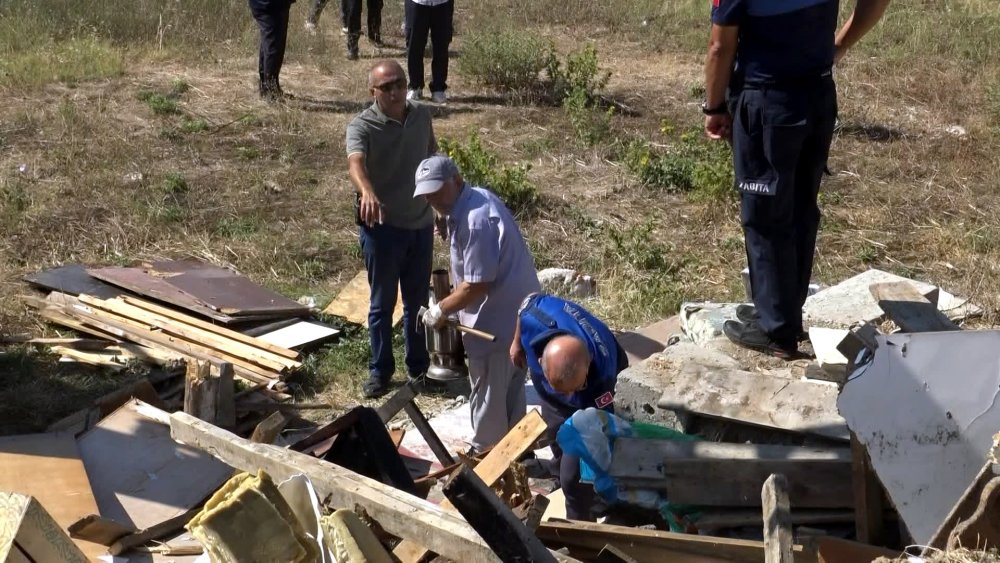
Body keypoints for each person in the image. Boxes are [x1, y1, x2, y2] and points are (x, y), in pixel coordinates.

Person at [703, 0, 891, 358]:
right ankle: (781, 313)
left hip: (767, 102)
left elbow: (719, 45)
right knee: (801, 209)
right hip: (817, 95)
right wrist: (839, 45)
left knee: (766, 216)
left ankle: (776, 332)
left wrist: (713, 107)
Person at [415, 155, 541, 452]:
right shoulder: (474, 201)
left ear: (456, 180)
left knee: (488, 392)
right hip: (518, 312)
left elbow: (477, 285)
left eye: (437, 191)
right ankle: (517, 452)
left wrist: (441, 308)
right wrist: (449, 224)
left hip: (497, 319)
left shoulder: (474, 221)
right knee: (510, 388)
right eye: (427, 195)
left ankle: (486, 454)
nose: (432, 199)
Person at [347, 60, 438, 398]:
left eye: (399, 83)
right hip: (382, 228)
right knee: (382, 304)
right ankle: (380, 371)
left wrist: (441, 204)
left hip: (420, 223)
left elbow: (432, 156)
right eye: (386, 87)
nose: (396, 90)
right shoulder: (362, 126)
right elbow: (355, 163)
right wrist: (366, 191)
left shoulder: (421, 115)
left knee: (417, 302)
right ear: (373, 92)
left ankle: (419, 368)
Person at [510, 293, 627, 521]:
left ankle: (596, 498)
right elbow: (524, 304)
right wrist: (516, 343)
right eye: (561, 389)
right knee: (555, 428)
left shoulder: (603, 376)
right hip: (561, 376)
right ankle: (558, 472)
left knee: (584, 462)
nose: (568, 396)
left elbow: (606, 429)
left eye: (574, 389)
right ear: (543, 361)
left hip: (594, 390)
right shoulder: (535, 317)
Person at [404, 0, 453, 103]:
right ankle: (415, 86)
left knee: (442, 44)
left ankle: (438, 88)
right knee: (414, 45)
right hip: (417, 3)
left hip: (442, 3)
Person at [248, 0, 295, 100]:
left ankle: (267, 87)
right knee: (273, 48)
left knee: (269, 44)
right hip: (270, 5)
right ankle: (271, 92)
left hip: (265, 5)